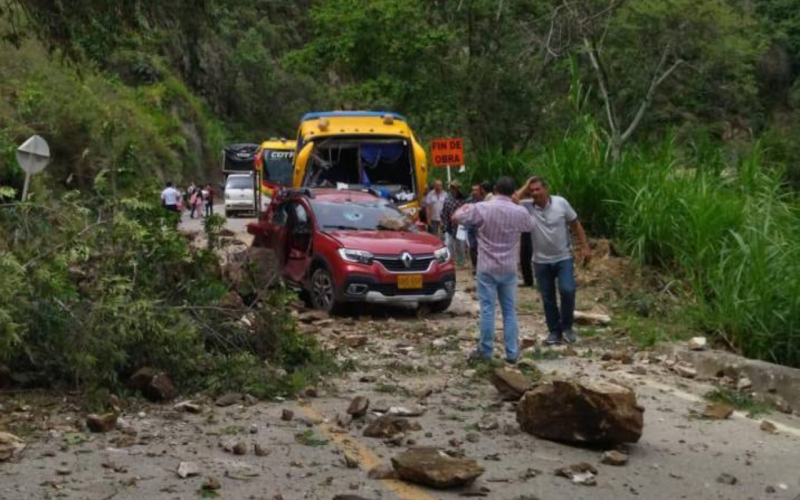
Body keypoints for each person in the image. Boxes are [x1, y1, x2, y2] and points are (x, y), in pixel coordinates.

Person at [453, 176, 535, 364]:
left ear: (495, 190)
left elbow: (457, 216)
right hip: (509, 267)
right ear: (513, 192)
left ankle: (486, 351)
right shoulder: (519, 211)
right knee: (509, 310)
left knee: (488, 310)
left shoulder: (482, 207)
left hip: (487, 266)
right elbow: (530, 226)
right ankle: (512, 353)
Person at [515, 176, 591, 345]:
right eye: (532, 190)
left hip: (563, 257)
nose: (534, 193)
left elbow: (575, 224)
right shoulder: (527, 207)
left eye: (537, 189)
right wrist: (526, 184)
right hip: (540, 261)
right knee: (548, 297)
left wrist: (585, 247)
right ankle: (554, 332)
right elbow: (512, 200)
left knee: (567, 290)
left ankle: (567, 326)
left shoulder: (561, 203)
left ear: (546, 189)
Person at [441, 180, 467, 267]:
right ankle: (448, 262)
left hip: (461, 225)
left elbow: (466, 212)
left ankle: (461, 262)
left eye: (453, 187)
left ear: (457, 189)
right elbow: (444, 211)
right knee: (448, 243)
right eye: (451, 187)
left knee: (460, 244)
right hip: (449, 225)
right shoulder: (448, 198)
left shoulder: (464, 199)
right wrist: (443, 222)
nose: (451, 189)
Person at [465, 183, 485, 272]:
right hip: (471, 226)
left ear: (480, 191)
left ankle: (482, 266)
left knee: (482, 247)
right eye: (473, 190)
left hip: (481, 227)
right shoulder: (469, 201)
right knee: (472, 247)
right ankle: (475, 266)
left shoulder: (484, 201)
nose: (474, 192)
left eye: (476, 190)